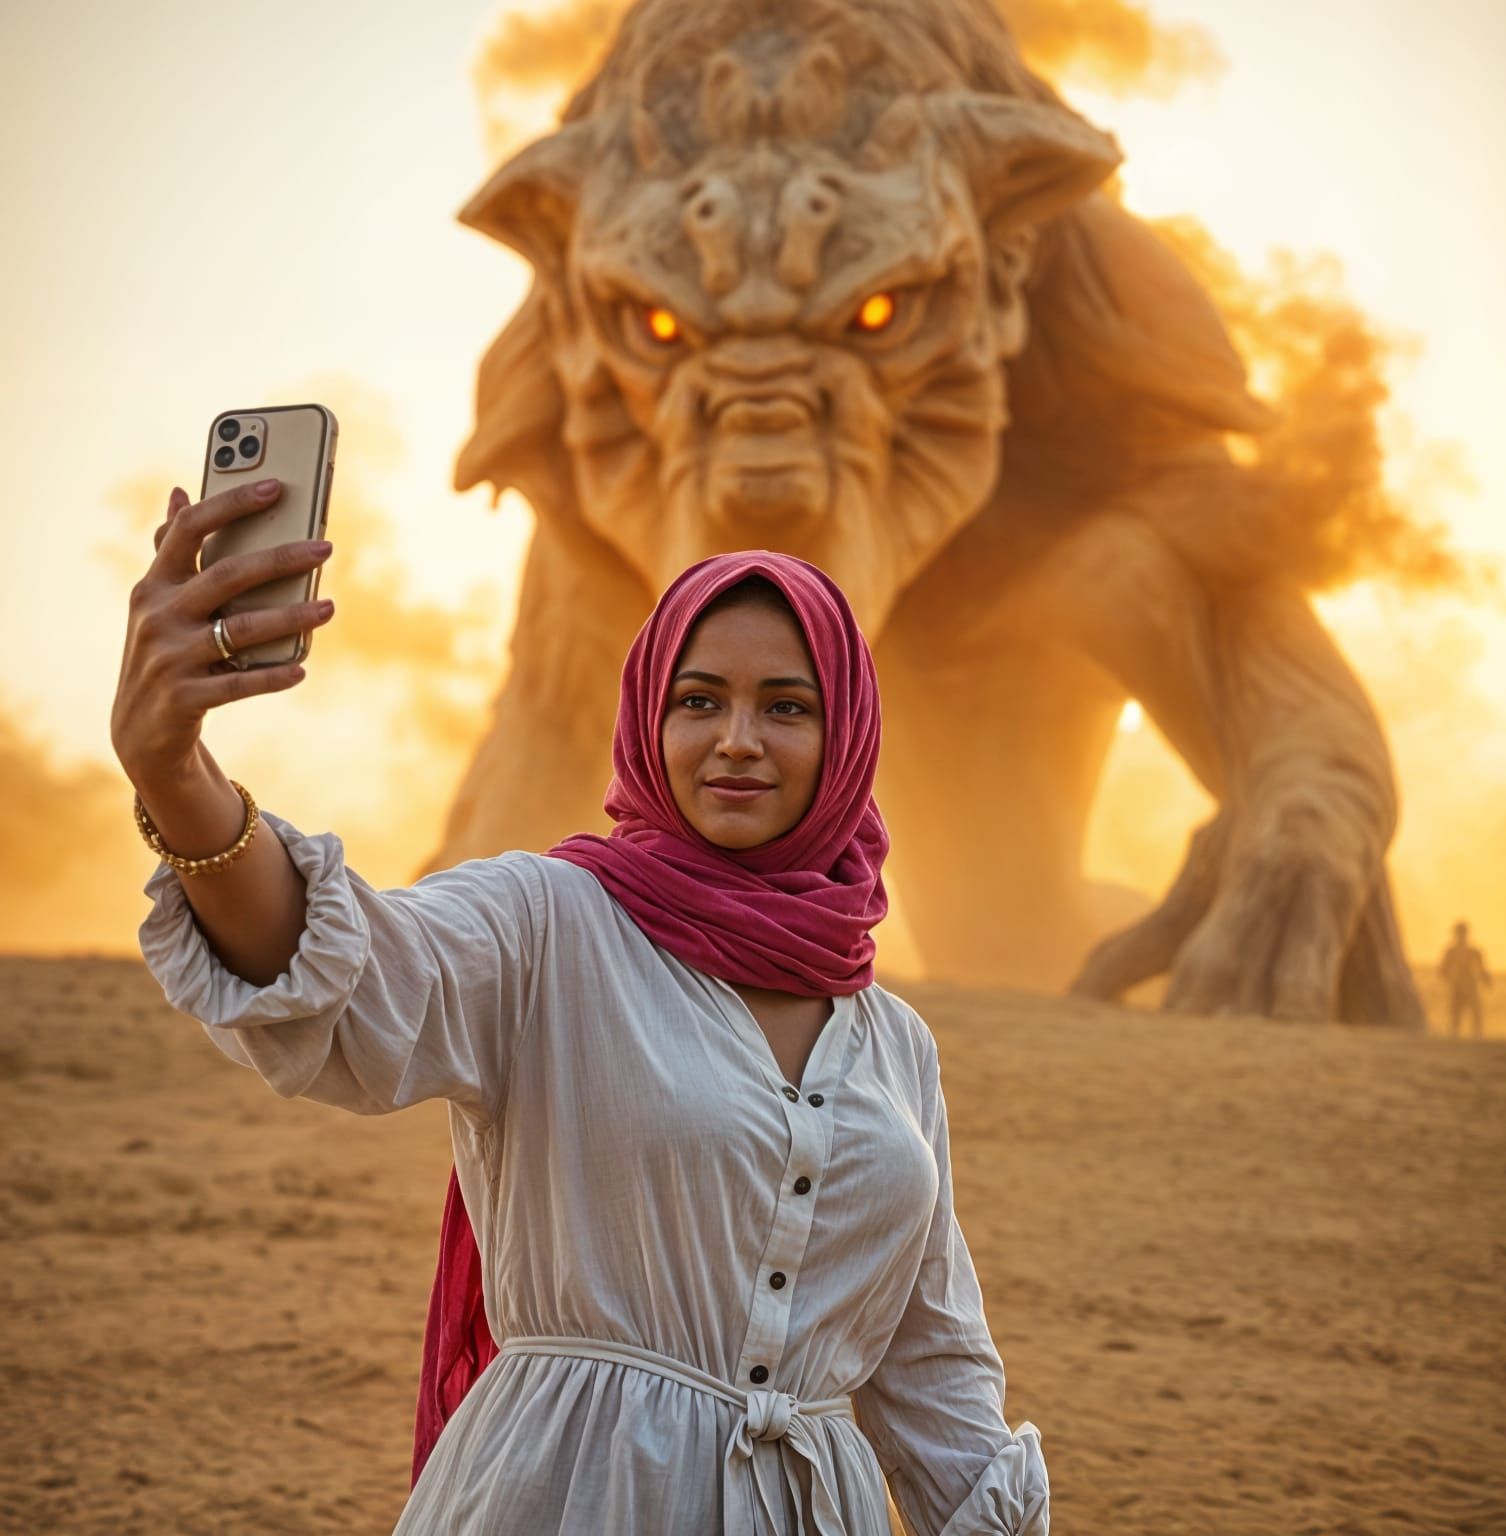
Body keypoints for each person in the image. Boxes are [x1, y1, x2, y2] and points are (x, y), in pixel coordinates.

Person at [115, 476, 1050, 1535]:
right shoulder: (549, 925)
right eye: (698, 701)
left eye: (787, 707)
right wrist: (173, 769)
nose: (738, 739)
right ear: (647, 719)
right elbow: (343, 974)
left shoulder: (894, 1044)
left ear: (849, 741)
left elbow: (934, 1367)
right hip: (567, 1495)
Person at [1438, 920, 1493, 1039]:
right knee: (1455, 1015)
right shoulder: (1451, 951)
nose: (1461, 936)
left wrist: (1486, 980)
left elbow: (1482, 969)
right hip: (1457, 986)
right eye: (1459, 932)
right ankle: (1455, 1038)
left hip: (1470, 985)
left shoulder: (1474, 951)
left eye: (1462, 932)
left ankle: (1477, 1038)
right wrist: (1449, 978)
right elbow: (1443, 970)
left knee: (1475, 1014)